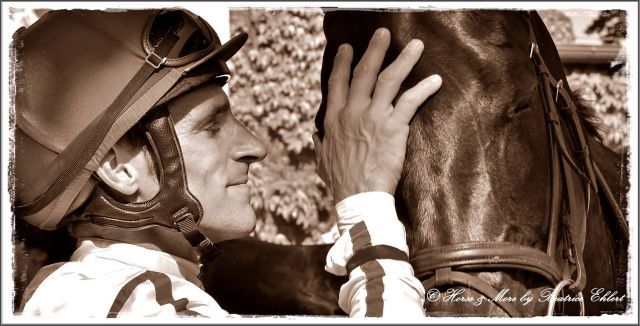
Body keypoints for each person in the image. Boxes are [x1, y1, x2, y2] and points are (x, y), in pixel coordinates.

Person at [13, 8, 441, 318]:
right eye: (211, 126)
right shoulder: (131, 304)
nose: (256, 146)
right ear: (119, 168)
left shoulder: (106, 295)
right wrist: (366, 205)